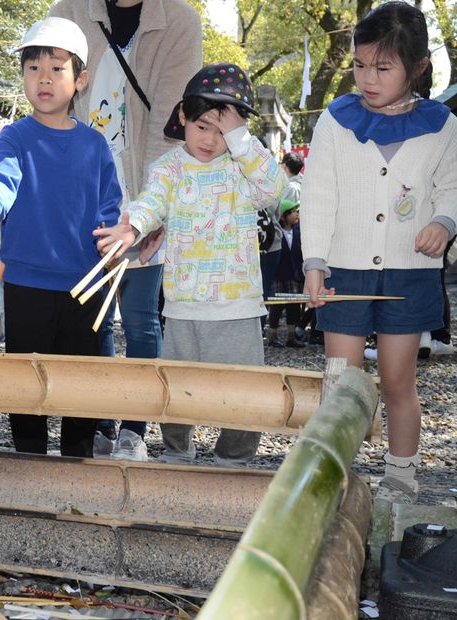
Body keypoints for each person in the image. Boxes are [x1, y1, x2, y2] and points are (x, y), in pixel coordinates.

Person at [300, 1, 457, 504]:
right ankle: (334, 477)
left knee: (398, 380)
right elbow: (318, 196)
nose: (367, 78)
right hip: (344, 271)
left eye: (383, 67)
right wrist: (314, 263)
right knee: (341, 380)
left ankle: (400, 481)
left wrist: (442, 222)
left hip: (408, 275)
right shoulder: (335, 121)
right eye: (359, 65)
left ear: (416, 68)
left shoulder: (443, 127)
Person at [93, 62, 286, 466]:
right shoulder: (168, 169)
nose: (211, 140)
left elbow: (275, 189)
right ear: (182, 116)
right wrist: (133, 227)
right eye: (202, 126)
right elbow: (152, 201)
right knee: (178, 386)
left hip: (237, 305)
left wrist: (241, 139)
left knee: (244, 390)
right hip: (182, 303)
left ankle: (234, 458)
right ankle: (178, 452)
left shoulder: (243, 168)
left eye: (223, 131)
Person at [48, 0, 202, 460]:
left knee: (138, 316)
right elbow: (52, 100)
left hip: (144, 191)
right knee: (92, 316)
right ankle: (101, 418)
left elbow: (167, 127)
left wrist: (144, 214)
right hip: (83, 195)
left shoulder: (179, 21)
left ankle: (134, 428)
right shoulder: (69, 11)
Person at [0, 17, 122, 458]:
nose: (45, 79)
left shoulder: (95, 146)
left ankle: (77, 457)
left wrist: (113, 240)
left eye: (57, 68)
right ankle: (29, 459)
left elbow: (109, 204)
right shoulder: (16, 136)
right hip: (28, 282)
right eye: (33, 68)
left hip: (86, 283)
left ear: (80, 80)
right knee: (26, 379)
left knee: (81, 380)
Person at [266, 199, 304, 348]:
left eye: (296, 211)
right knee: (276, 305)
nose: (296, 214)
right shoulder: (277, 231)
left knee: (294, 306)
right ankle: (272, 335)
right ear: (283, 216)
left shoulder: (298, 231)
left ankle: (291, 336)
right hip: (278, 273)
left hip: (294, 273)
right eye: (292, 212)